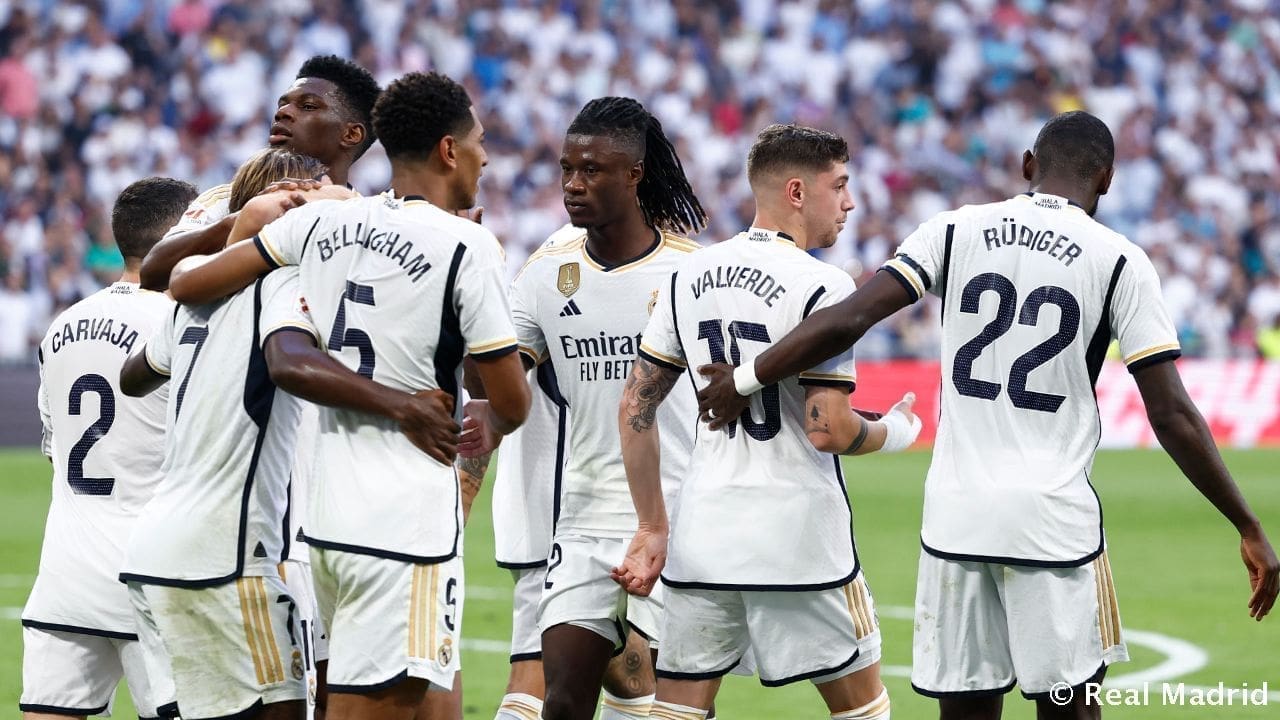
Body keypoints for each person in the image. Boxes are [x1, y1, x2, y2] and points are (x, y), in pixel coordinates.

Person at [695, 111, 1280, 719]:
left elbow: (850, 317)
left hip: (956, 519)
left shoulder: (954, 230)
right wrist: (1247, 523)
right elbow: (1171, 413)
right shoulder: (1119, 261)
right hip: (1053, 523)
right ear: (1105, 180)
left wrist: (743, 379)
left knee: (967, 712)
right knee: (1069, 708)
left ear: (1028, 165)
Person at [163, 70, 532, 720]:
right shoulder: (469, 245)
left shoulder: (322, 222)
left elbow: (188, 285)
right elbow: (509, 400)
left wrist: (247, 222)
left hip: (325, 523)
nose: (486, 156)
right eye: (479, 143)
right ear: (449, 151)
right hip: (407, 524)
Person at [610, 123, 920, 720]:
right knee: (863, 710)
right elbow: (828, 426)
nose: (851, 203)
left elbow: (636, 406)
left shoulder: (686, 275)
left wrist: (652, 524)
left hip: (705, 533)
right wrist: (896, 432)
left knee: (677, 709)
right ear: (798, 192)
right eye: (841, 186)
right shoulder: (823, 285)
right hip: (799, 537)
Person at [506, 96, 707, 720]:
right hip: (584, 516)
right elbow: (496, 383)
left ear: (634, 175)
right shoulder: (545, 272)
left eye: (592, 170)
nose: (573, 184)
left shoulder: (692, 273)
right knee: (562, 700)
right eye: (567, 168)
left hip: (679, 516)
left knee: (674, 708)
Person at [21, 177, 197, 720]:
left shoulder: (62, 324)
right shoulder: (184, 327)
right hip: (155, 577)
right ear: (184, 235)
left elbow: (57, 451)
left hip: (66, 574)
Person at [139, 54, 380, 292]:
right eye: (282, 103)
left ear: (351, 135)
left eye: (307, 106)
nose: (282, 112)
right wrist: (243, 220)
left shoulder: (367, 219)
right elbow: (151, 273)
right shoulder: (226, 197)